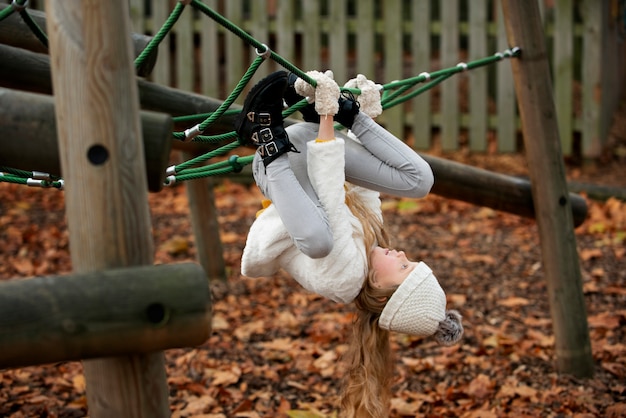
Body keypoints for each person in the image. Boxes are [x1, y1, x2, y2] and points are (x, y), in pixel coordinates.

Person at [235, 70, 463, 418]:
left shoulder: (345, 279)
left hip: (281, 171)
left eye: (402, 267)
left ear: (380, 288)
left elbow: (329, 195)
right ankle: (347, 112)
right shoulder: (376, 246)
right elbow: (365, 190)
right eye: (410, 261)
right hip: (311, 146)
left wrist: (325, 116)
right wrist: (359, 117)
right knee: (420, 181)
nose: (402, 254)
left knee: (317, 240)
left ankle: (262, 132)